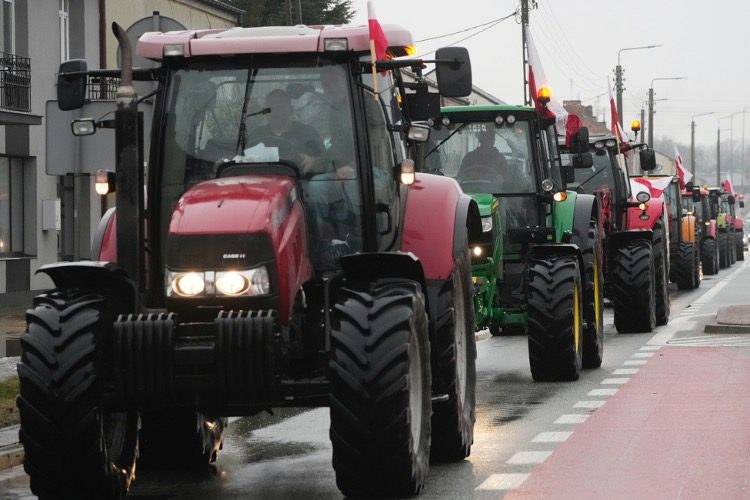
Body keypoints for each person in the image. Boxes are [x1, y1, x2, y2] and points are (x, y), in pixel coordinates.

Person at [245, 88, 325, 175]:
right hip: (261, 182)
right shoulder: (256, 136)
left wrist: (313, 162)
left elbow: (324, 161)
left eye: (280, 107)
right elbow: (242, 161)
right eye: (269, 108)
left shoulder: (307, 134)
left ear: (291, 110)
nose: (274, 112)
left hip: (301, 183)